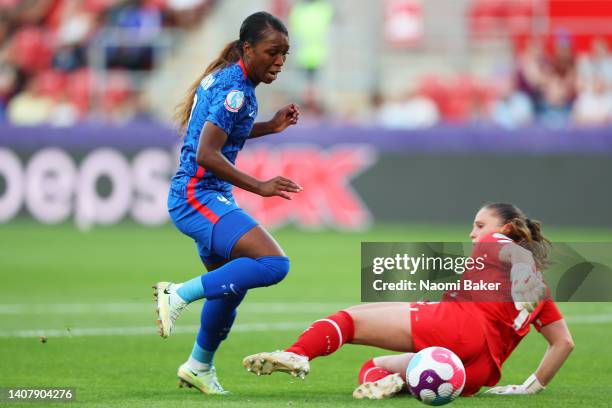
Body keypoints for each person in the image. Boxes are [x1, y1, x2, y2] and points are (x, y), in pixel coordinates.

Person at [243, 203, 575, 400]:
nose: (474, 233)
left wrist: (521, 267)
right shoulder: (540, 290)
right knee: (372, 369)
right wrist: (530, 388)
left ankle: (296, 354)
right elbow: (563, 343)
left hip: (456, 329)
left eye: (479, 224)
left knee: (348, 319)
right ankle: (397, 382)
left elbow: (510, 250)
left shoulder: (496, 242)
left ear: (503, 227)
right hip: (474, 373)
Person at [153, 11, 302, 395]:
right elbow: (207, 152)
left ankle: (198, 366)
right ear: (248, 49)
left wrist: (270, 126)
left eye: (285, 53)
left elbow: (223, 130)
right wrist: (260, 186)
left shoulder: (233, 84)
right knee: (273, 264)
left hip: (205, 195)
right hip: (197, 197)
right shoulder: (236, 90)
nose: (280, 61)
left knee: (230, 288)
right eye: (273, 52)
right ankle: (178, 293)